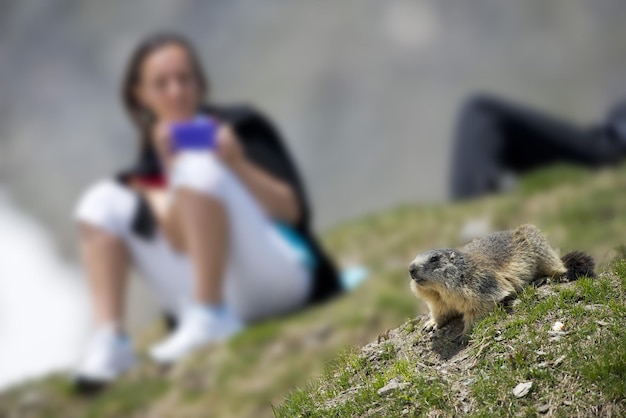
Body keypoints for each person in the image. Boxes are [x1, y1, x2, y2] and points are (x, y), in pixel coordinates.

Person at [73, 32, 342, 386]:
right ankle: (111, 340)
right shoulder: (147, 166)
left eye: (184, 79)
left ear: (200, 84)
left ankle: (210, 313)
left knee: (198, 167)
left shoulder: (242, 125)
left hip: (280, 273)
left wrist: (238, 164)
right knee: (100, 201)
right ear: (140, 96)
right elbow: (178, 241)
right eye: (161, 83)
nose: (176, 91)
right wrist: (169, 173)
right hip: (215, 285)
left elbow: (293, 212)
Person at [449, 93, 626, 200]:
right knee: (481, 115)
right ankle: (478, 216)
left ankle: (475, 219)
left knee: (481, 111)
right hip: (610, 138)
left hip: (614, 146)